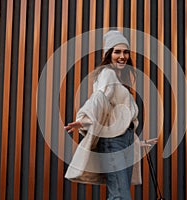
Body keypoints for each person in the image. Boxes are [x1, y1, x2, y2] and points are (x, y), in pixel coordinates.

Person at [64, 30, 156, 200]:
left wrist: (137, 141)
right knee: (120, 196)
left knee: (119, 194)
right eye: (117, 52)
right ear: (109, 54)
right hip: (114, 143)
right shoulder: (108, 74)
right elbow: (99, 99)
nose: (122, 56)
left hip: (124, 141)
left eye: (125, 52)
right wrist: (84, 119)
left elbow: (117, 119)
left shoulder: (120, 80)